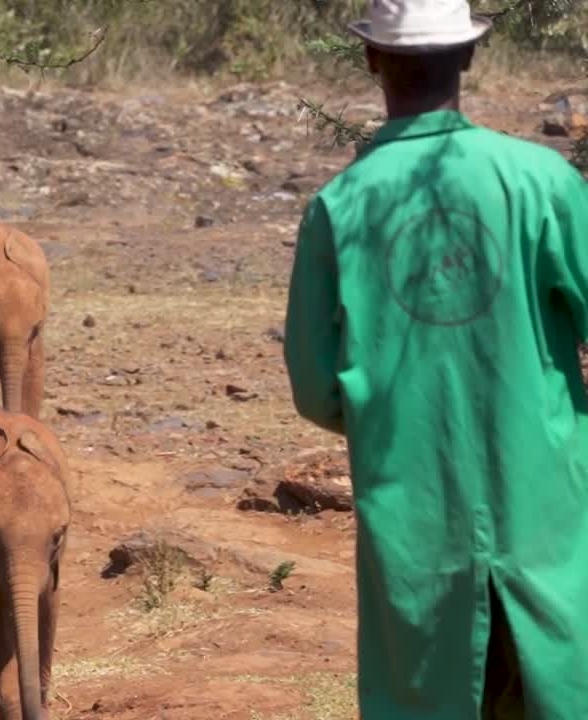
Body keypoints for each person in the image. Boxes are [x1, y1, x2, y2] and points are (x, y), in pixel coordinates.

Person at [283, 0, 588, 718]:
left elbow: (315, 389)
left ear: (371, 59)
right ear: (469, 56)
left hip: (414, 520)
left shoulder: (338, 206)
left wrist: (393, 423)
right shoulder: (543, 181)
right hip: (543, 506)